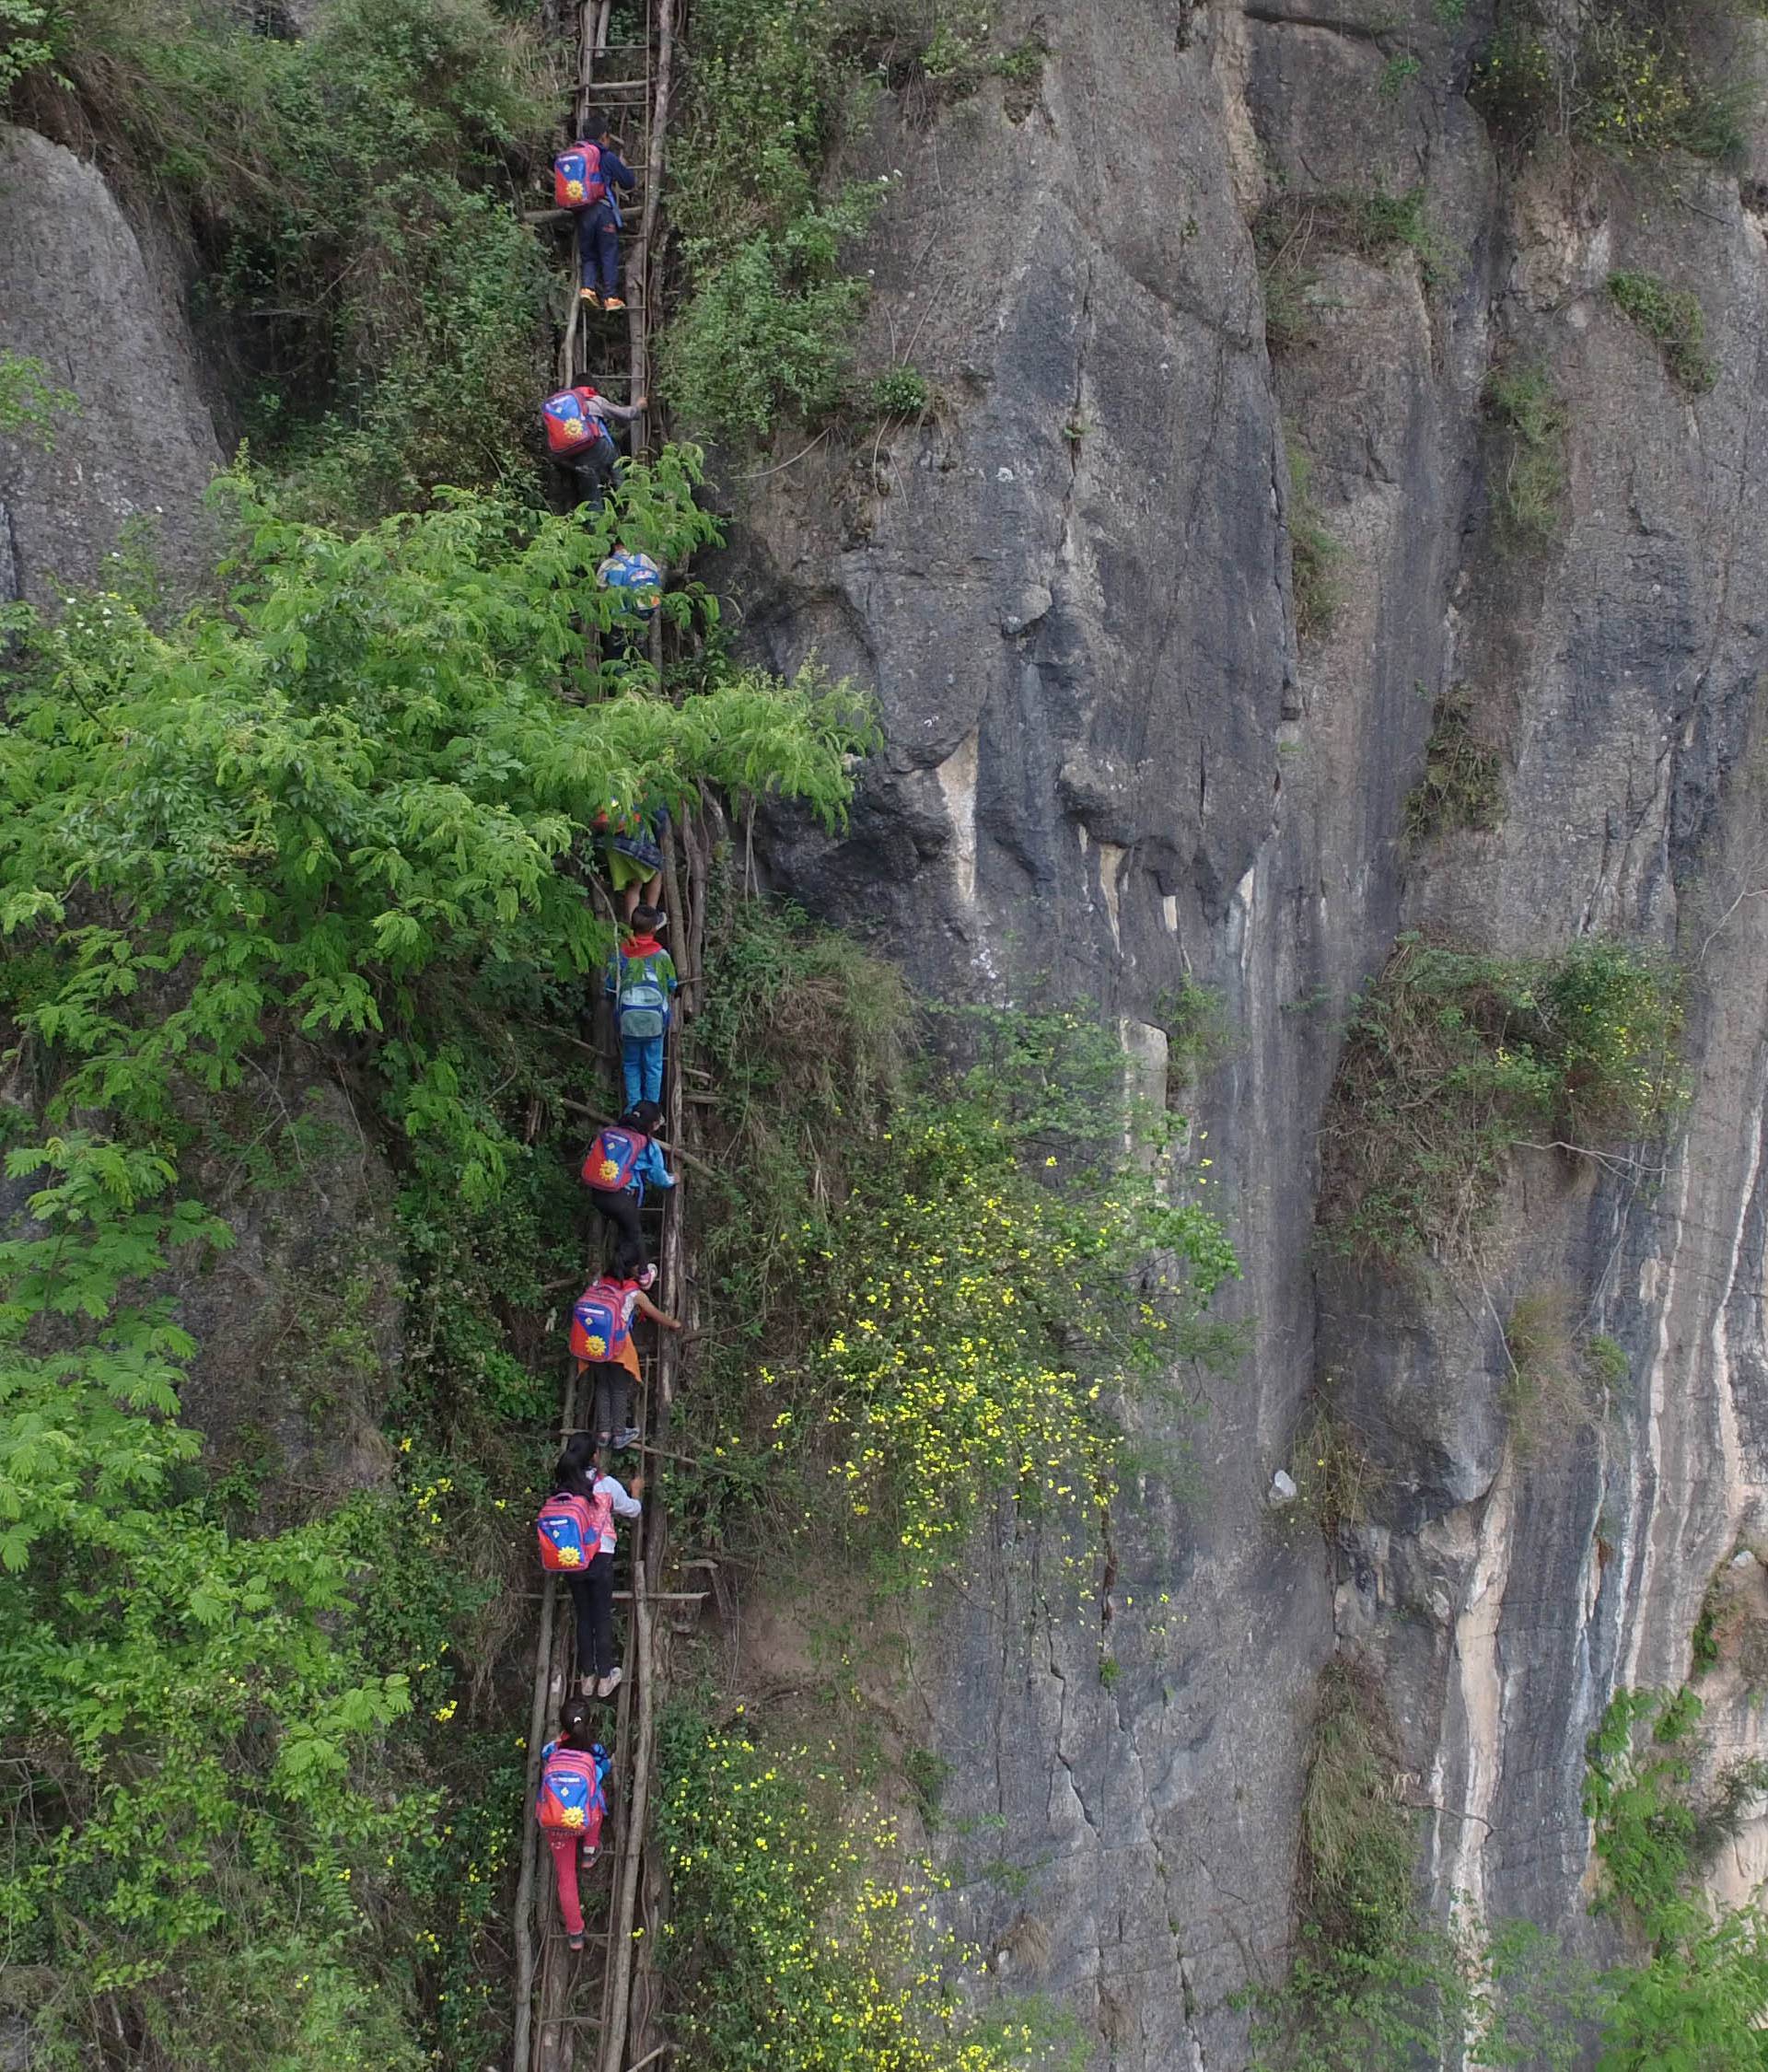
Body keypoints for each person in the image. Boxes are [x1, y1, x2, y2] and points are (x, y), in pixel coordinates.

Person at [539, 1433, 644, 1698]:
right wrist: (636, 1492)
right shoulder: (606, 1485)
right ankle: (606, 1677)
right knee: (602, 1615)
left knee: (584, 1616)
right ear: (594, 1456)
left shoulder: (563, 1484)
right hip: (599, 1556)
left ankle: (587, 1676)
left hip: (571, 1559)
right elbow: (632, 1510)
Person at [569, 1267, 681, 1449]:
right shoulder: (633, 1293)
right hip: (619, 1349)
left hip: (595, 1346)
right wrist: (674, 1323)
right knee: (619, 1388)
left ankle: (604, 1433)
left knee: (603, 1386)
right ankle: (619, 1434)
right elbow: (655, 1314)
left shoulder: (599, 1285)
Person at [535, 1691, 612, 1950]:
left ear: (562, 1725)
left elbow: (545, 1754)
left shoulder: (552, 1749)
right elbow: (602, 1771)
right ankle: (589, 1851)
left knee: (566, 1877)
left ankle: (575, 1933)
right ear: (588, 1724)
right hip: (583, 1820)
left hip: (556, 1826)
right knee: (597, 1797)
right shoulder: (594, 1751)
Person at [581, 1100, 676, 1275]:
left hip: (598, 1194)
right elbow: (658, 1176)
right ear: (653, 1125)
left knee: (625, 1234)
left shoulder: (610, 1132)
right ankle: (642, 1273)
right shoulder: (646, 1145)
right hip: (623, 1197)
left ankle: (618, 1274)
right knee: (634, 1236)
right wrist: (673, 1179)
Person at [605, 903, 677, 1109]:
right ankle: (651, 1110)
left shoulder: (622, 954)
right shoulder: (661, 956)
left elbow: (610, 987)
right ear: (654, 929)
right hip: (655, 1023)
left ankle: (633, 1109)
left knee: (631, 1065)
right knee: (653, 1066)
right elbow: (672, 985)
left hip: (628, 1023)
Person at [567, 111, 637, 312]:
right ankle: (610, 297)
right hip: (603, 210)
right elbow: (628, 182)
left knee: (589, 254)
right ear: (604, 136)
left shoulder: (575, 155)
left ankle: (588, 288)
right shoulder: (606, 157)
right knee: (608, 252)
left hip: (581, 212)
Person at [542, 381, 648, 510]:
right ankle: (628, 505)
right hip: (599, 447)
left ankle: (597, 526)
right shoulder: (594, 400)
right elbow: (625, 415)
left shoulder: (561, 408)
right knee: (616, 466)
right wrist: (638, 407)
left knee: (591, 496)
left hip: (575, 456)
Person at [599, 795, 669, 918]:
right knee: (657, 870)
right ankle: (650, 918)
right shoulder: (647, 796)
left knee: (634, 885)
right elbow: (660, 818)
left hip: (611, 846)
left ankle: (633, 927)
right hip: (634, 846)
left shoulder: (610, 792)